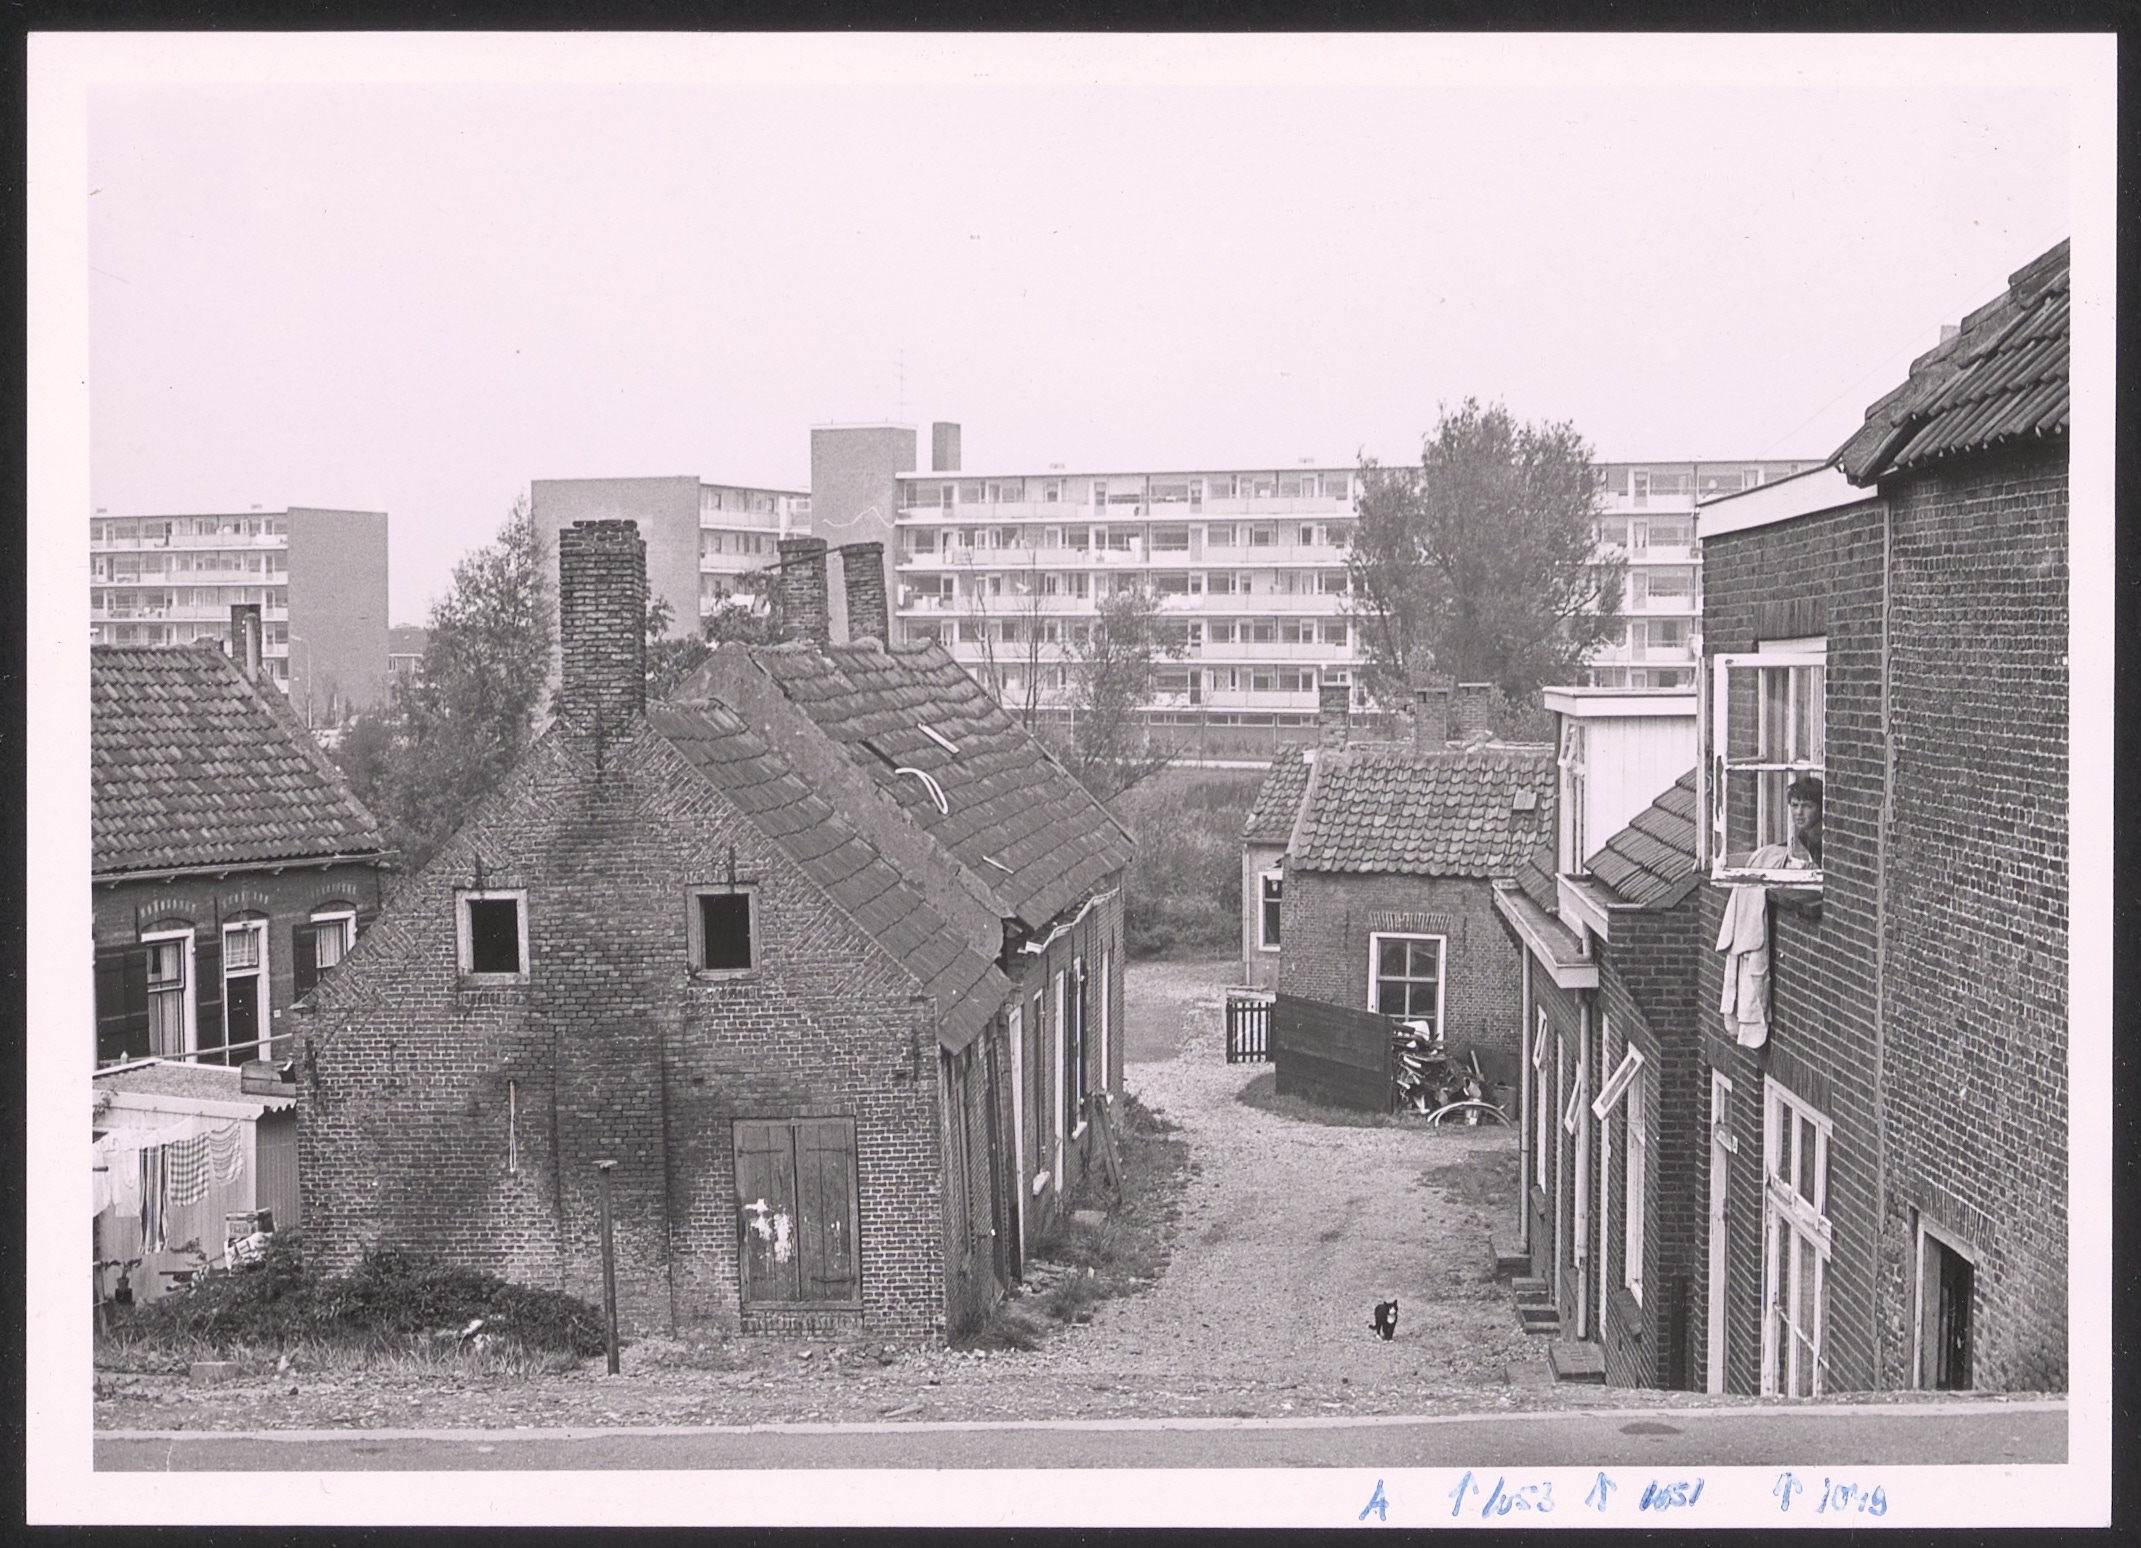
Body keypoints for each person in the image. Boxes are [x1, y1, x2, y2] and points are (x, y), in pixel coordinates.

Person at [1786, 775, 1824, 868]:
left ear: (1820, 808)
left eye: (1807, 806)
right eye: (1795, 805)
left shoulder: (1822, 836)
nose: (1799, 812)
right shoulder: (1805, 834)